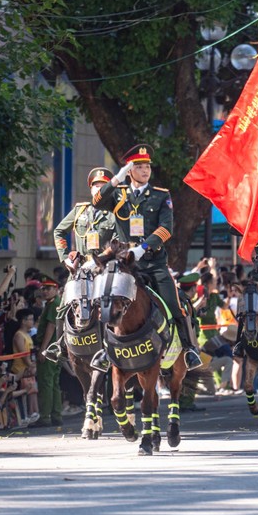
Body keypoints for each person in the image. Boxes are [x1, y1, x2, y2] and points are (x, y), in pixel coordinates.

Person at [92, 144, 202, 370]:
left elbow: (166, 229)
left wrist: (142, 248)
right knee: (105, 300)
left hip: (153, 262)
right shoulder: (119, 194)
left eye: (147, 167)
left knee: (174, 304)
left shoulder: (160, 195)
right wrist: (116, 179)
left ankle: (190, 349)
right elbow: (97, 202)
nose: (145, 171)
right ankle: (104, 350)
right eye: (139, 167)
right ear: (130, 170)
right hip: (125, 264)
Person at [54, 166, 118, 269]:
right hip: (81, 267)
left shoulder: (115, 213)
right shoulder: (80, 210)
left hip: (104, 267)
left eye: (104, 187)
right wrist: (65, 258)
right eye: (96, 186)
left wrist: (97, 261)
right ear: (91, 189)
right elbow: (59, 232)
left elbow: (116, 243)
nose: (99, 190)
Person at [32, 275, 62, 427]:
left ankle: (45, 416)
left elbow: (51, 326)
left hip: (49, 348)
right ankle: (56, 415)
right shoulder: (53, 303)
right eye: (43, 288)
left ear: (56, 289)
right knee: (54, 383)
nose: (45, 291)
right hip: (55, 348)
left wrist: (43, 349)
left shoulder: (53, 304)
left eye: (48, 288)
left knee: (46, 382)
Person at [10, 308, 40, 424]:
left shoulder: (27, 334)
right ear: (23, 321)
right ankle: (27, 415)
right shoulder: (19, 335)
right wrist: (31, 365)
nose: (32, 321)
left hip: (29, 369)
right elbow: (23, 355)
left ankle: (34, 412)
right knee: (27, 392)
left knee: (33, 391)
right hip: (20, 370)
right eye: (30, 319)